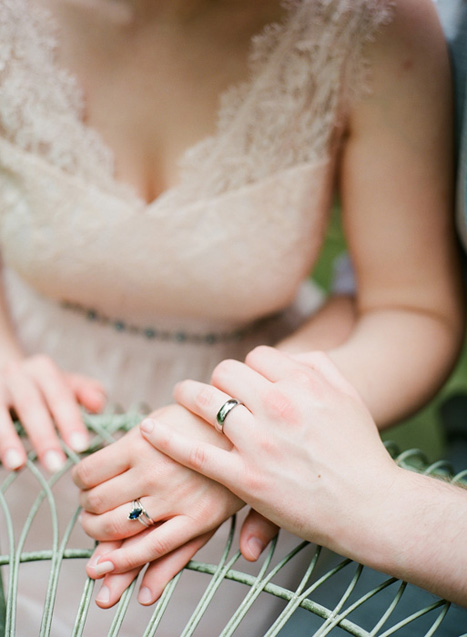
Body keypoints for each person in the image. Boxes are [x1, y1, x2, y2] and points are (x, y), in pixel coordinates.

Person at [0, 0, 462, 633]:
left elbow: (412, 307)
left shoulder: (379, 29)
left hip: (243, 443)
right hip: (32, 418)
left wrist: (237, 431)